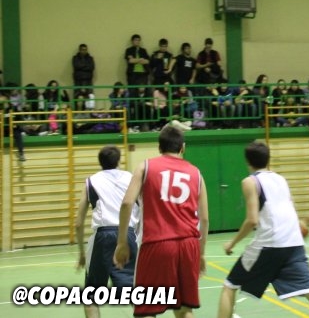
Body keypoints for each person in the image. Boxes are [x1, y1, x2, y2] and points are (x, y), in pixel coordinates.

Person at [218, 141, 309, 318]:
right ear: (268, 159)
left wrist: (231, 244)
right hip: (294, 242)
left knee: (229, 286)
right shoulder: (281, 179)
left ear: (247, 161)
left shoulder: (250, 181)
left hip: (269, 244)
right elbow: (291, 209)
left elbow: (252, 220)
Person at [114, 125, 209, 318]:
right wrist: (200, 254)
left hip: (158, 243)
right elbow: (205, 219)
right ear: (183, 147)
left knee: (146, 310)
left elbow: (126, 203)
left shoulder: (145, 166)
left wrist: (122, 243)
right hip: (189, 245)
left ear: (159, 147)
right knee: (184, 309)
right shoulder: (196, 173)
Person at [75, 145, 139, 318]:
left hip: (103, 237)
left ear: (100, 162)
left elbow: (79, 223)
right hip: (129, 235)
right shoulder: (131, 178)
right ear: (118, 161)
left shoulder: (91, 181)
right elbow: (143, 209)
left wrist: (81, 254)